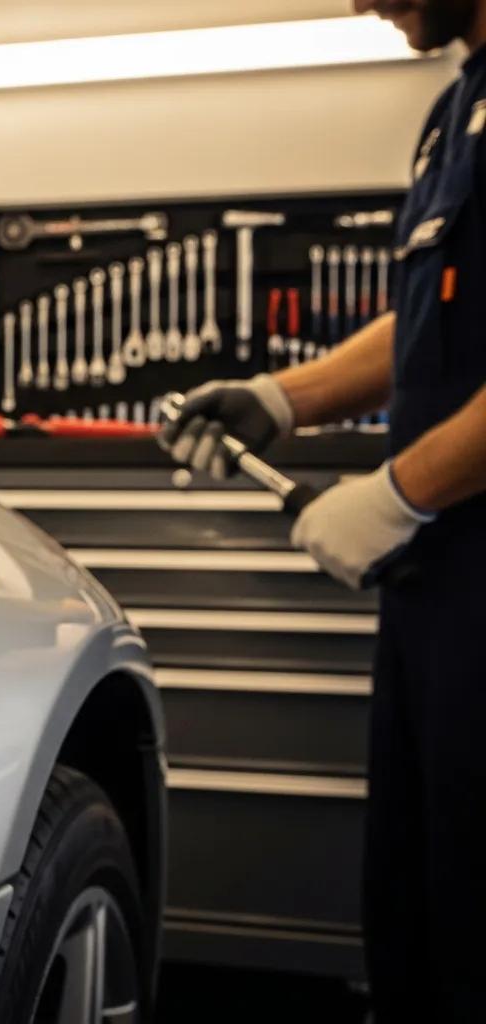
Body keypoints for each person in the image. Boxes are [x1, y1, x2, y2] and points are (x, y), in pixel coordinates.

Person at [160, 1, 486, 1019]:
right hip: (438, 589)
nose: (359, 2)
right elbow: (432, 311)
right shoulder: (454, 108)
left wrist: (398, 492)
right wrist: (281, 397)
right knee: (420, 894)